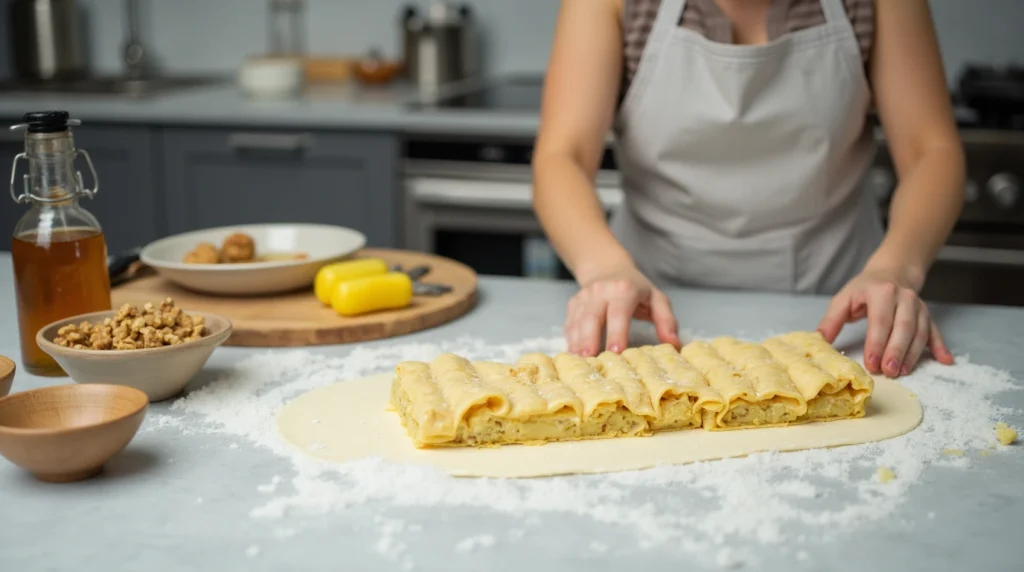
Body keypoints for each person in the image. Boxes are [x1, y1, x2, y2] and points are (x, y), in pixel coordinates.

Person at [531, 0, 964, 378]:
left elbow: (931, 150)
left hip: (842, 315)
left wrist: (896, 269)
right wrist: (603, 268)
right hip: (647, 315)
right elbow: (561, 155)